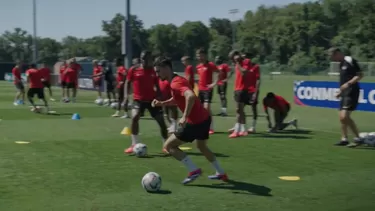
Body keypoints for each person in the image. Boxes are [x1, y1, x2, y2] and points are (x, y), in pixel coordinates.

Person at [152, 56, 228, 184]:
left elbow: (190, 96)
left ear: (166, 68)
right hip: (204, 118)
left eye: (158, 71)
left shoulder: (175, 83)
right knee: (202, 147)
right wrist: (162, 103)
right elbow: (179, 98)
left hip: (195, 122)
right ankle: (221, 172)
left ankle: (193, 170)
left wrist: (184, 116)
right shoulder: (177, 79)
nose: (157, 74)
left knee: (169, 146)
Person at [123, 50, 168, 154]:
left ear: (150, 59)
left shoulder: (154, 71)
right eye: (143, 59)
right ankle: (134, 144)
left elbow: (157, 86)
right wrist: (126, 97)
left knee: (161, 122)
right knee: (135, 117)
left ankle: (166, 145)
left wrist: (160, 97)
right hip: (138, 100)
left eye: (147, 59)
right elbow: (127, 82)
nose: (145, 61)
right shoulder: (134, 69)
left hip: (152, 100)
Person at [328, 47, 364, 147]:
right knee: (342, 118)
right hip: (344, 93)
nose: (333, 59)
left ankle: (358, 138)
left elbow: (360, 75)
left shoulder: (350, 60)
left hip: (352, 92)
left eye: (333, 56)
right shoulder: (340, 64)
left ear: (338, 53)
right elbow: (343, 80)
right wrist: (340, 91)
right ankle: (344, 139)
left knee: (345, 116)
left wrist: (348, 84)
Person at [228, 50, 251, 138]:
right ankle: (244, 130)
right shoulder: (237, 64)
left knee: (238, 110)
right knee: (240, 110)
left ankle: (236, 131)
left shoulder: (245, 62)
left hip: (242, 89)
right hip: (237, 89)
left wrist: (238, 63)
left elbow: (244, 72)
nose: (233, 60)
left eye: (233, 57)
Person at [196, 48, 217, 134]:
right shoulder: (198, 66)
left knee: (206, 108)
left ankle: (210, 127)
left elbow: (219, 73)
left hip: (207, 89)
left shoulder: (210, 65)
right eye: (198, 56)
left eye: (201, 55)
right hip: (200, 90)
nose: (200, 57)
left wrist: (214, 83)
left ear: (205, 55)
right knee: (201, 109)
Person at [246, 63, 261, 133]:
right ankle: (239, 126)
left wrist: (255, 92)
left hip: (252, 90)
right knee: (239, 107)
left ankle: (253, 126)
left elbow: (258, 80)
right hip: (244, 89)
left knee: (253, 108)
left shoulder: (256, 67)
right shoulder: (244, 65)